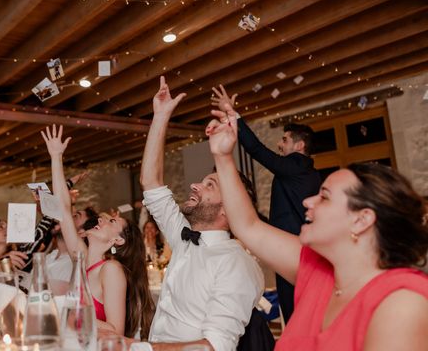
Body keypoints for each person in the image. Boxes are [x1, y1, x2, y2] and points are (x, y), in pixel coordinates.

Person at [207, 102, 428, 350]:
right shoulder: (315, 272)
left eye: (324, 196)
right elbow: (247, 225)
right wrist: (222, 157)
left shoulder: (400, 302)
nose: (308, 201)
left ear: (361, 219)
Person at [131, 76, 264, 351]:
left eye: (209, 185)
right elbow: (151, 183)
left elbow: (214, 347)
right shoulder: (183, 238)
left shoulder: (235, 263)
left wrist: (136, 348)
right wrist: (160, 117)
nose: (195, 185)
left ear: (229, 209)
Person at [212, 85, 320, 321]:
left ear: (299, 146)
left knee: (296, 312)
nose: (280, 145)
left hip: (291, 250)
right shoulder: (301, 172)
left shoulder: (297, 165)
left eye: (285, 139)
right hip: (293, 247)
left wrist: (233, 116)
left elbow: (257, 150)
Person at [42, 125, 154, 338]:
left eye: (112, 221)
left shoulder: (111, 270)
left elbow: (115, 330)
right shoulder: (82, 259)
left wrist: (69, 312)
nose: (102, 219)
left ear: (117, 241)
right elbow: (64, 209)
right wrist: (56, 157)